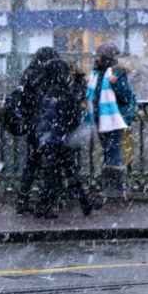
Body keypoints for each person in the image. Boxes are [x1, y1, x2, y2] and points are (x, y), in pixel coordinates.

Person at [32, 58, 101, 219]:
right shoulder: (62, 91)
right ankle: (48, 207)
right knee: (60, 174)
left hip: (51, 139)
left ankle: (82, 203)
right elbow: (70, 118)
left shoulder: (48, 89)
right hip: (59, 139)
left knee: (61, 173)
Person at [85, 42, 137, 198]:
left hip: (113, 119)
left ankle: (116, 188)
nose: (97, 58)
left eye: (99, 55)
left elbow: (126, 96)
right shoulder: (96, 74)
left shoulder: (116, 74)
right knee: (108, 151)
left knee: (113, 151)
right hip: (101, 119)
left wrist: (116, 85)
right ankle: (111, 187)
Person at [14, 46, 60, 215]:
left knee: (32, 163)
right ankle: (46, 203)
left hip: (32, 125)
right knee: (51, 164)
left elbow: (23, 99)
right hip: (45, 126)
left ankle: (22, 199)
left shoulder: (28, 73)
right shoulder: (47, 75)